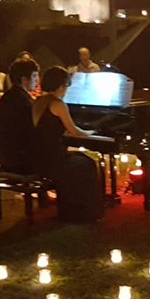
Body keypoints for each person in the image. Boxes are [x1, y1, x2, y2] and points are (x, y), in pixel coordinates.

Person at [31, 66, 104, 222]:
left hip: (38, 157)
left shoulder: (38, 102)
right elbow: (74, 130)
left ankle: (71, 207)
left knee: (78, 159)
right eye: (66, 86)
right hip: (53, 159)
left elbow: (49, 127)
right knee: (88, 164)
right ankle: (87, 212)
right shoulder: (58, 104)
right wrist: (91, 132)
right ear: (61, 86)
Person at [0, 59, 40, 173]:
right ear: (24, 79)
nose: (36, 80)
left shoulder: (5, 98)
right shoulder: (24, 102)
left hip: (3, 157)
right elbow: (31, 132)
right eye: (34, 76)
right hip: (21, 159)